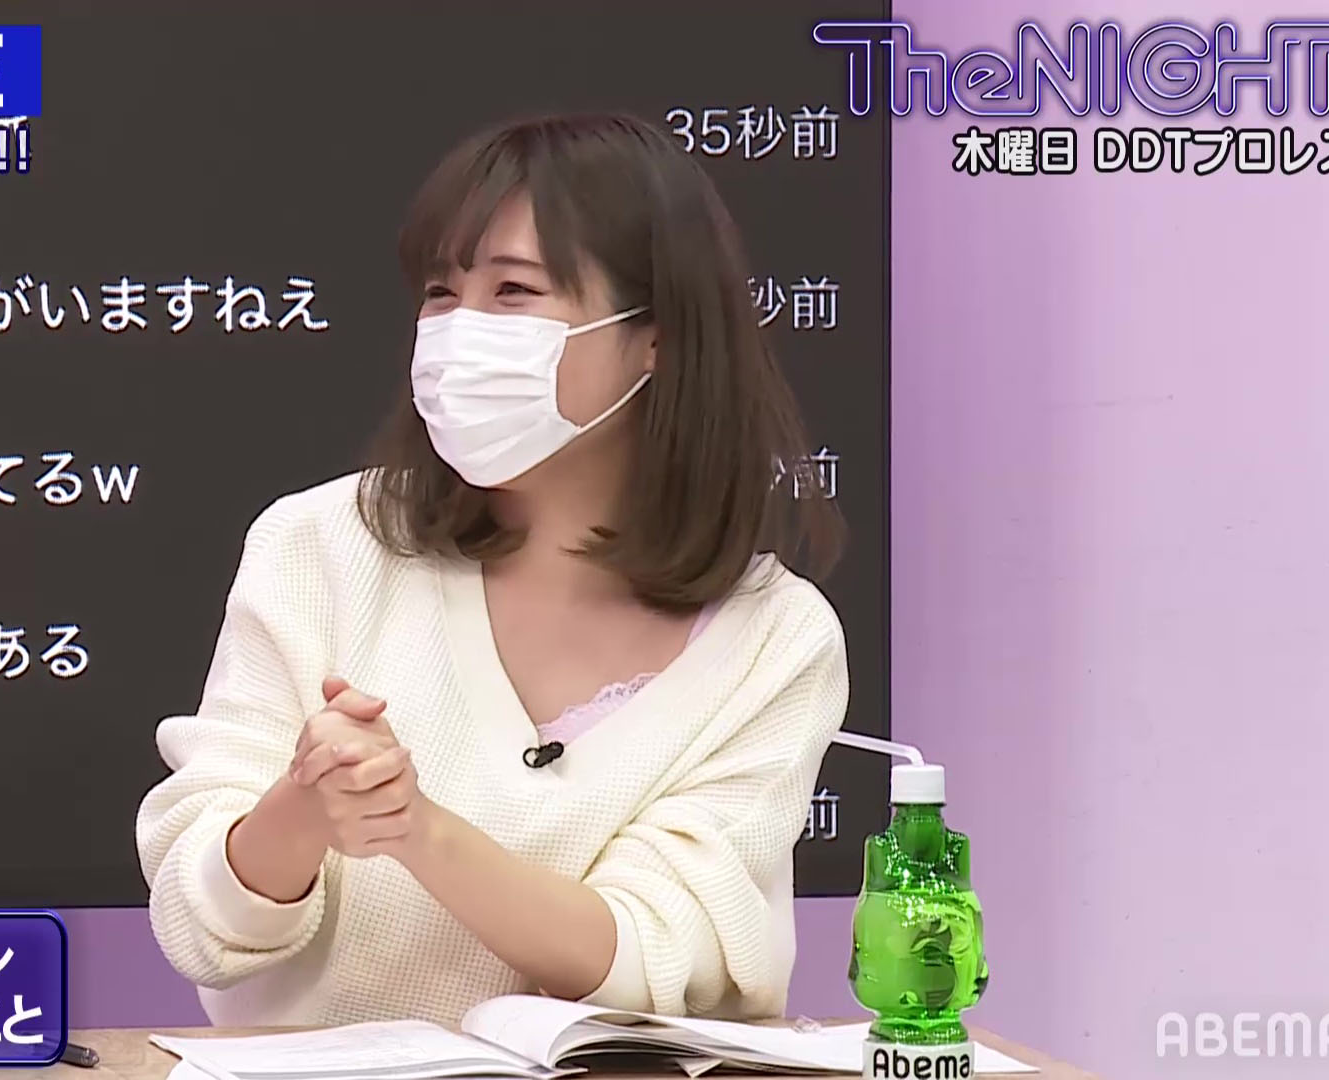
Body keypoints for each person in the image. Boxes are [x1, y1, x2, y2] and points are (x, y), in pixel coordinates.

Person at [135, 113, 849, 1028]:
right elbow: (199, 926)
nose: (458, 333)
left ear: (656, 338)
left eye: (514, 291)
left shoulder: (774, 638)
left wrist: (417, 827)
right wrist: (306, 808)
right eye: (441, 292)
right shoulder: (319, 544)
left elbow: (667, 961)